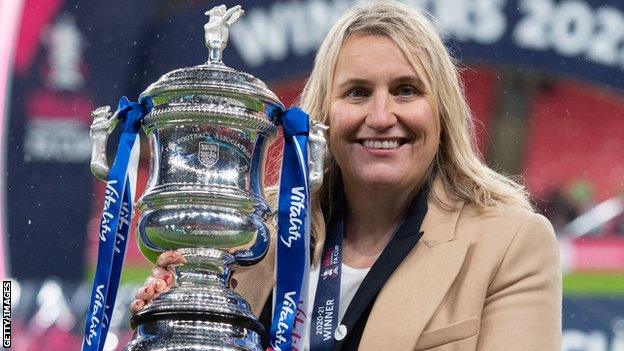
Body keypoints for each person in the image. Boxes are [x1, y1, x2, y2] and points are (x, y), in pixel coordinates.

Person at [131, 1, 562, 350]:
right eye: (357, 92)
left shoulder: (510, 245)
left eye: (405, 91)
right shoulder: (253, 241)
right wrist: (172, 324)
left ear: (442, 111)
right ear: (323, 117)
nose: (380, 116)